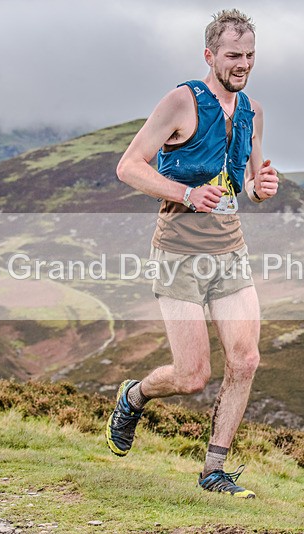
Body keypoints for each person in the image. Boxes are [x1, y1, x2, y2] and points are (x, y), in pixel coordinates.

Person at [108, 9, 279, 499]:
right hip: (179, 250)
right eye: (232, 55)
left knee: (245, 361)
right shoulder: (182, 101)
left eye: (249, 55)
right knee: (192, 376)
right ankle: (134, 395)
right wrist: (186, 194)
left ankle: (214, 471)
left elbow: (247, 183)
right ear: (210, 55)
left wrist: (260, 187)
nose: (242, 64)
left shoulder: (252, 111)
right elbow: (128, 167)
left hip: (229, 250)